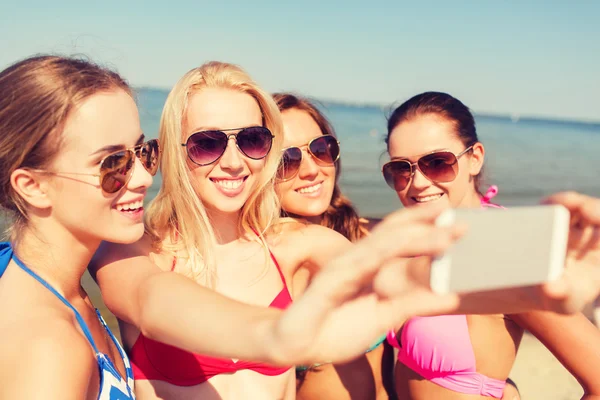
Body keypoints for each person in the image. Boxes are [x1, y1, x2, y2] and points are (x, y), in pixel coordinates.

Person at [90, 62, 472, 400]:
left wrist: (521, 258)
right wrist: (281, 335)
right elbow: (155, 303)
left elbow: (408, 276)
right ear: (175, 150)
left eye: (252, 140)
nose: (235, 163)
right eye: (208, 144)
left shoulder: (297, 245)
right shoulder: (131, 251)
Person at [381, 91, 600, 399]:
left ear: (475, 158)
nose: (416, 182)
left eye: (437, 162)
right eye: (401, 168)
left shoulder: (501, 253)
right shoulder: (419, 240)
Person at [0, 55, 160, 399]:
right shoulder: (49, 348)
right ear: (33, 186)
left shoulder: (33, 276)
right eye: (113, 164)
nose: (146, 177)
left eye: (143, 151)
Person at [273, 92, 394, 400]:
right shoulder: (268, 262)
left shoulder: (362, 235)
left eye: (320, 148)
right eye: (287, 159)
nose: (312, 169)